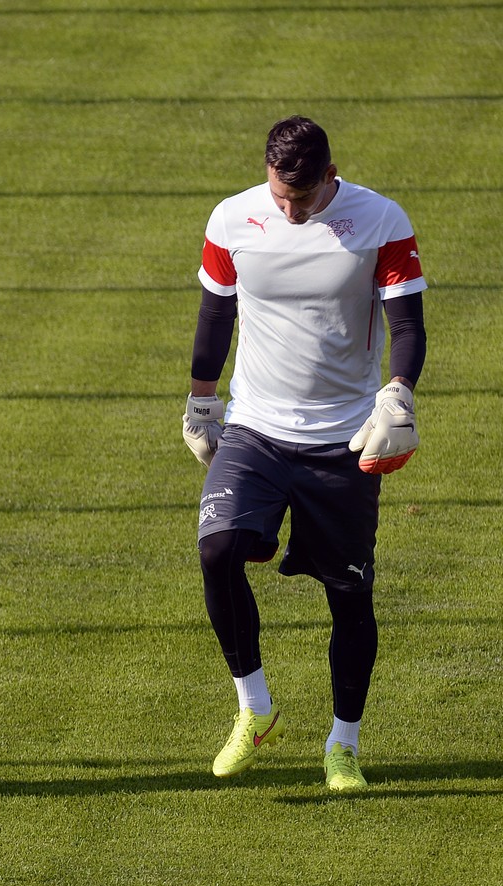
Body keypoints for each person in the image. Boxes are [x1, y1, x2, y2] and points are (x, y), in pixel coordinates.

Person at [182, 116, 427, 792]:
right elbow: (215, 314)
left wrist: (398, 396)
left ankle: (343, 746)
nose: (288, 210)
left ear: (329, 175)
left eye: (302, 198)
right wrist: (203, 402)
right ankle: (254, 710)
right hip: (254, 429)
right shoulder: (234, 220)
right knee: (217, 549)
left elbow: (406, 323)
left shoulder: (379, 220)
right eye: (278, 195)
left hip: (344, 440)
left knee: (349, 597)